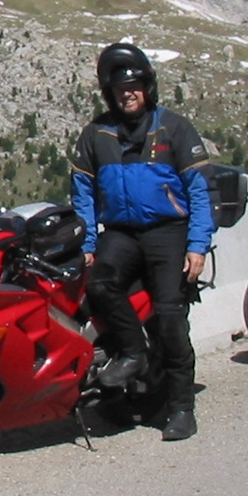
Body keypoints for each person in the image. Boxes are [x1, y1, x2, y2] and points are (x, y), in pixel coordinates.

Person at [69, 44, 215, 442]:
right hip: (121, 232)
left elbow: (200, 190)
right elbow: (82, 193)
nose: (127, 94)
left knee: (170, 318)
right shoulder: (96, 134)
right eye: (118, 89)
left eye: (133, 86)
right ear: (109, 94)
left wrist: (197, 244)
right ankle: (133, 352)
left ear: (147, 87)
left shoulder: (174, 128)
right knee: (100, 285)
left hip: (168, 231)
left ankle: (181, 408)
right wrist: (87, 244)